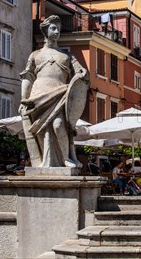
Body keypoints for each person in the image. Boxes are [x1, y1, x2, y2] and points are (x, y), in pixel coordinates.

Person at [19, 15, 89, 168]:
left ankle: (65, 158)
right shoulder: (35, 55)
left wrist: (83, 72)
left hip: (60, 94)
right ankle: (46, 161)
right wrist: (23, 99)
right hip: (38, 95)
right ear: (45, 31)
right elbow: (27, 77)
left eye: (58, 28)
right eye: (53, 28)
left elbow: (80, 72)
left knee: (58, 125)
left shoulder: (67, 56)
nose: (57, 31)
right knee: (43, 131)